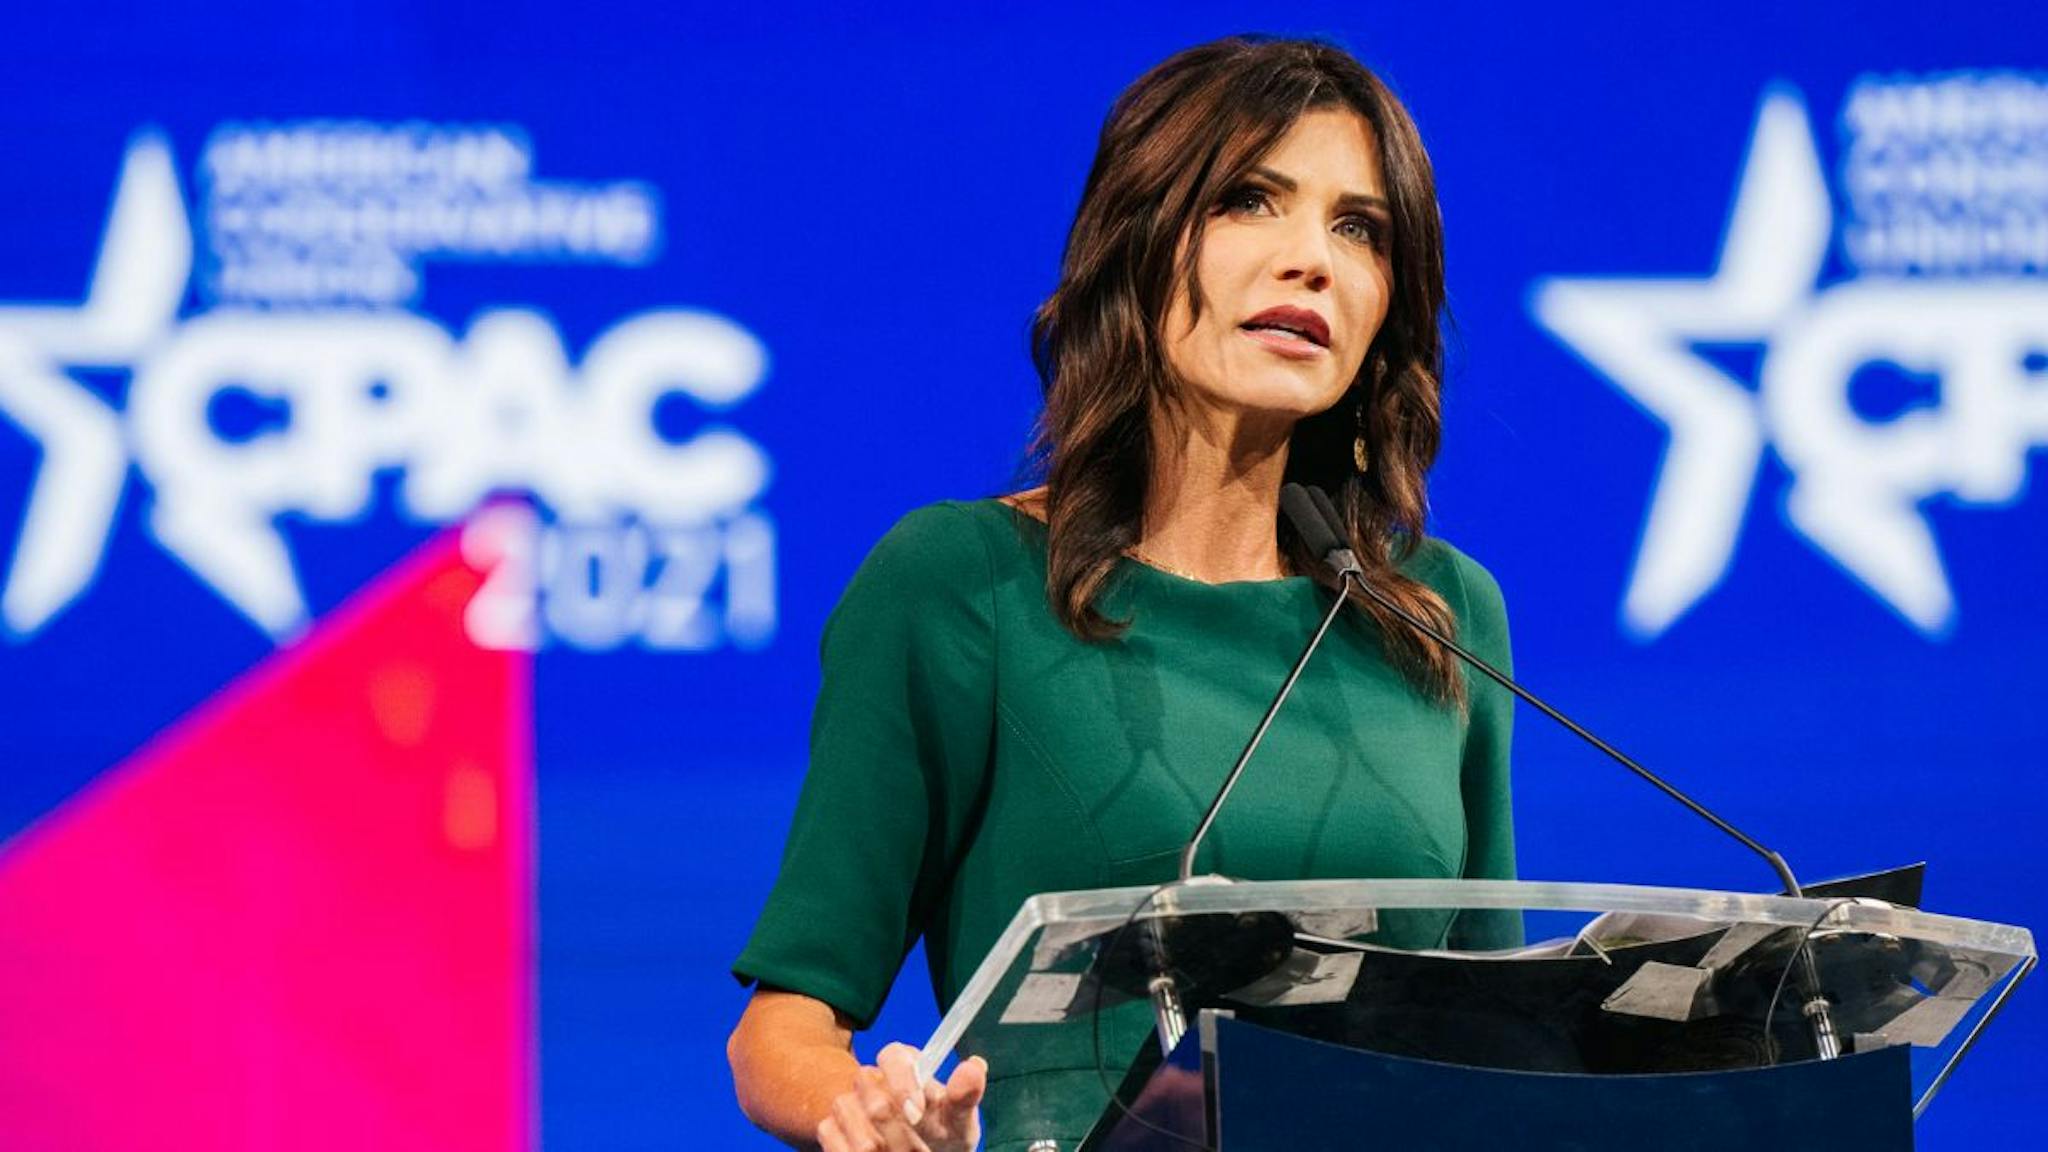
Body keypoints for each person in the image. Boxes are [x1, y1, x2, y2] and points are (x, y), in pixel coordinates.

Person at [728, 34, 1518, 1152]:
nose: (1313, 262)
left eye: (1360, 229)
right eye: (1251, 201)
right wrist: (871, 1114)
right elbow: (781, 1029)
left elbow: (1498, 1041)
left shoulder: (1438, 618)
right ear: (1138, 238)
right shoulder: (963, 586)